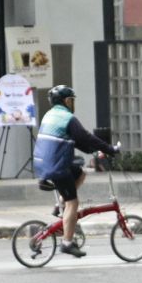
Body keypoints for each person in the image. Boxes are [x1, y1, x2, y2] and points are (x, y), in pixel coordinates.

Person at [32, 85, 118, 258]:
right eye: (72, 100)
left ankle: (60, 205)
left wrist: (93, 152)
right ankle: (67, 243)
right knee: (74, 203)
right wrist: (110, 149)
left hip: (44, 165)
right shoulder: (67, 117)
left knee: (80, 173)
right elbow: (86, 137)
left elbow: (75, 140)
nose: (72, 103)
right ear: (66, 101)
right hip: (57, 167)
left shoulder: (50, 115)